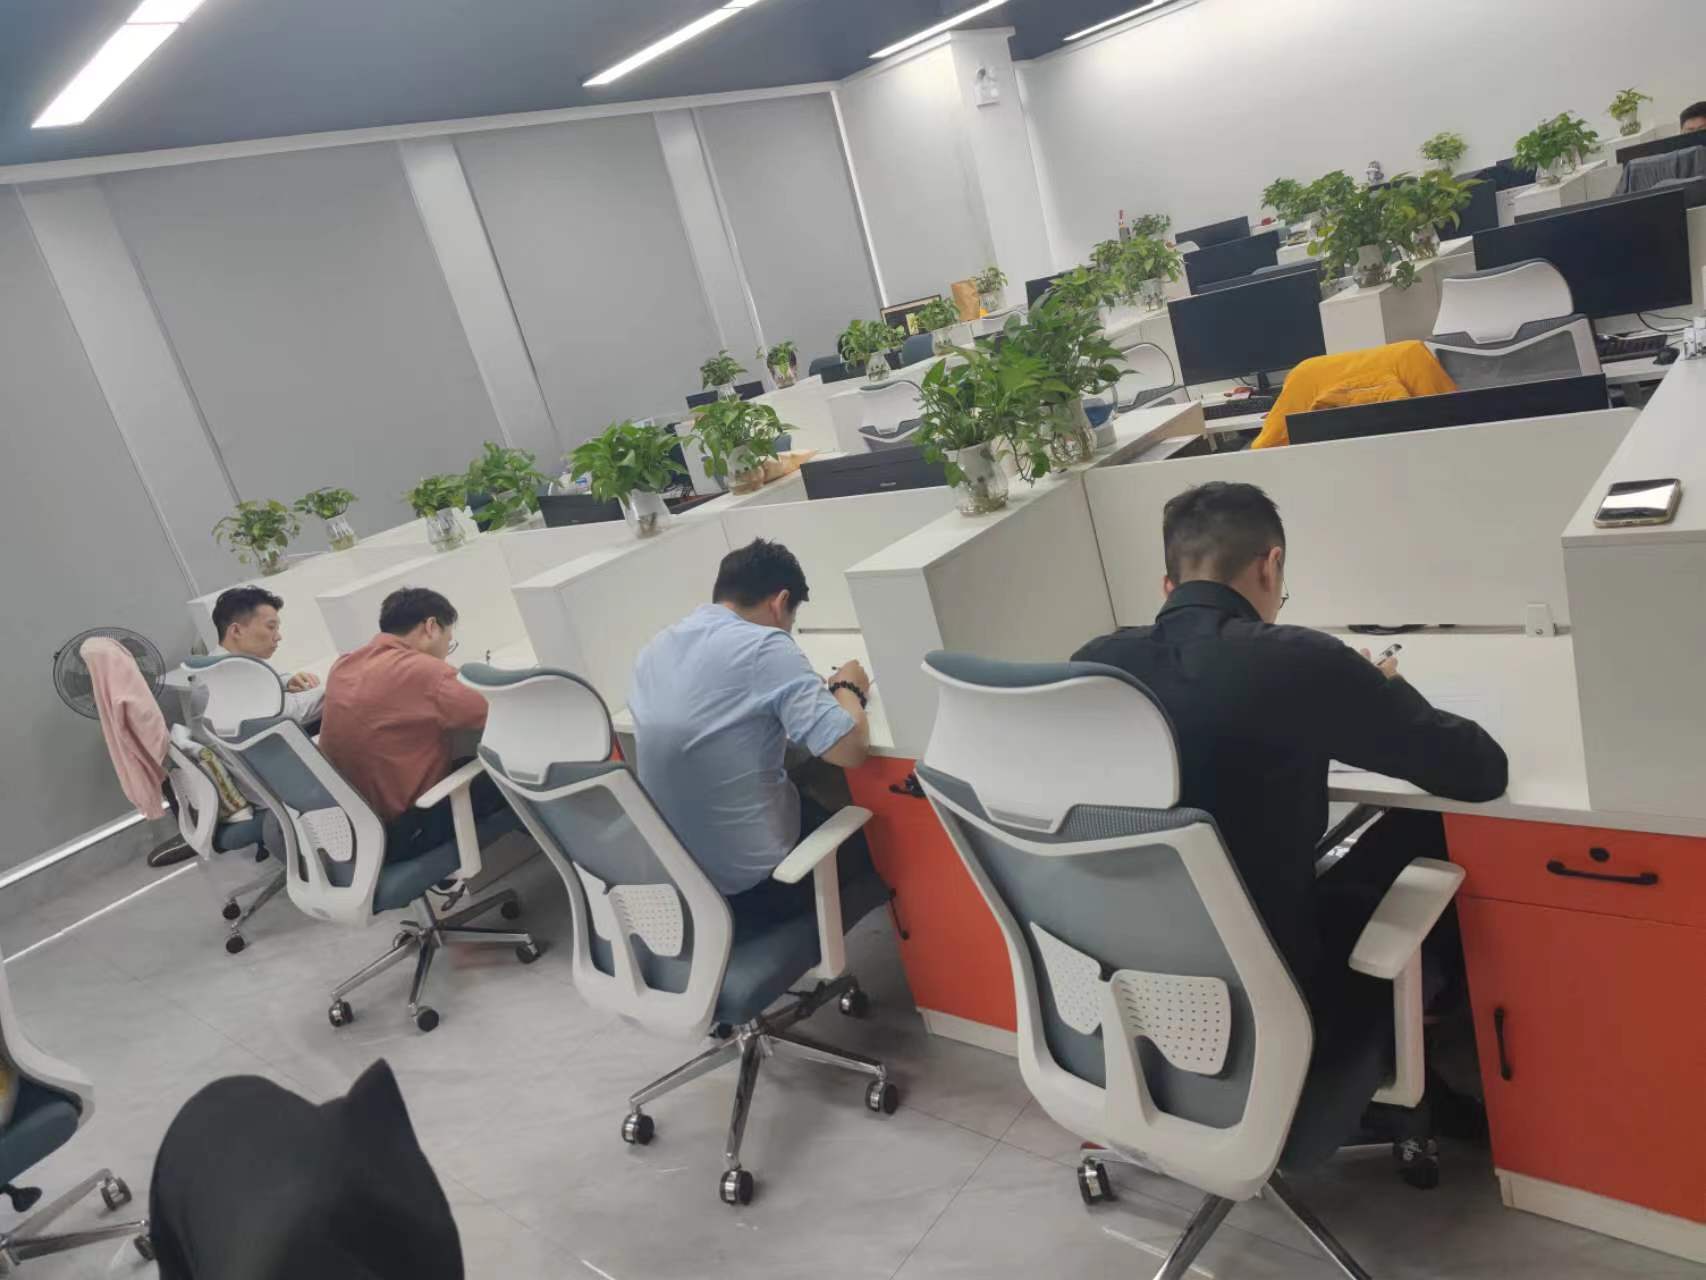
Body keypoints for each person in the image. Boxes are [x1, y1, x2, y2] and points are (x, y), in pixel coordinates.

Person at [1072, 482, 1508, 1033]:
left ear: (1168, 586)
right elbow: (1478, 771)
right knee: (1428, 822)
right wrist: (1381, 689)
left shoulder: (1093, 667)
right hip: (1282, 986)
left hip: (1135, 985)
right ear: (1271, 566)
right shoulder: (1302, 660)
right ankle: (1429, 1017)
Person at [628, 539, 874, 925]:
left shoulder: (657, 647)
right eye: (791, 619)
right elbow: (851, 750)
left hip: (680, 893)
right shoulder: (765, 645)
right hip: (754, 891)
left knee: (803, 773)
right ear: (780, 602)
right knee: (879, 839)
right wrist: (848, 688)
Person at [318, 588, 515, 862]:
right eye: (448, 642)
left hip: (355, 835)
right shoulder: (423, 671)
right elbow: (501, 710)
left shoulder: (344, 665)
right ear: (431, 627)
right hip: (405, 831)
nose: (446, 653)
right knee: (516, 770)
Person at [210, 586, 324, 724]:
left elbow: (267, 679)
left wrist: (287, 682)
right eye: (271, 627)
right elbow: (292, 711)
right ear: (236, 631)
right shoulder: (233, 677)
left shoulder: (217, 664)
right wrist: (336, 690)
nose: (278, 637)